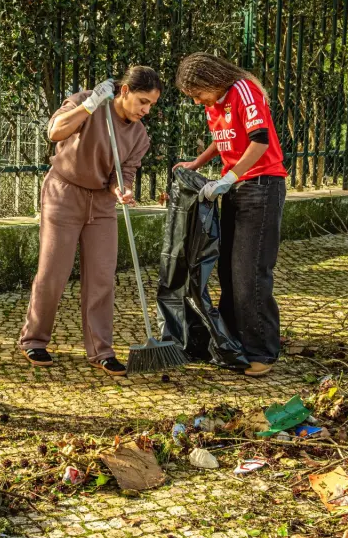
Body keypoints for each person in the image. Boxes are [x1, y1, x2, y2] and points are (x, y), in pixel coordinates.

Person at [19, 66, 163, 376]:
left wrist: (122, 189)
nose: (146, 110)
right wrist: (90, 105)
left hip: (102, 203)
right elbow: (54, 132)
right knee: (53, 272)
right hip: (64, 192)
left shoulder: (138, 135)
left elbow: (124, 173)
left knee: (102, 277)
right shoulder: (86, 101)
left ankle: (101, 350)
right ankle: (34, 339)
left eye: (151, 104)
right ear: (124, 91)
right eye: (143, 101)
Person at [173, 53, 287, 377]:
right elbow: (223, 138)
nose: (197, 102)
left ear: (211, 80)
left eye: (197, 94)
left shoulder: (243, 90)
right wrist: (197, 163)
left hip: (261, 187)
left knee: (249, 273)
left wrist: (230, 177)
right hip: (237, 188)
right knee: (228, 271)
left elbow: (260, 141)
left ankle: (262, 351)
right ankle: (233, 343)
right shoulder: (216, 102)